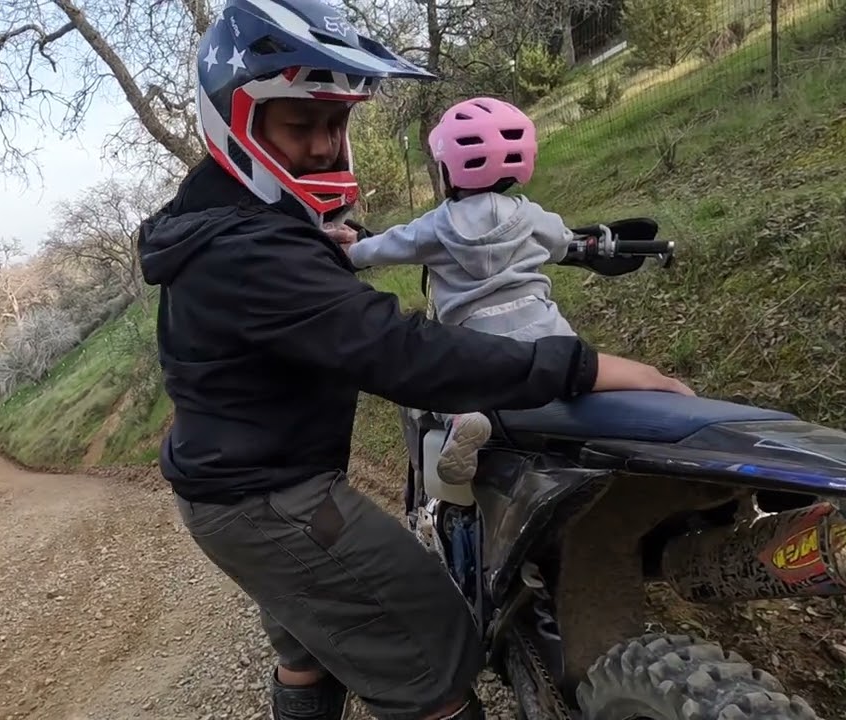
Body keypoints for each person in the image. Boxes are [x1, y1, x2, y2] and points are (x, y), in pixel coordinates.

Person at [134, 1, 694, 718]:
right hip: (272, 500)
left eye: (336, 123)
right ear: (239, 122)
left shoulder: (223, 218)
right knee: (435, 650)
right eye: (300, 125)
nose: (324, 145)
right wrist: (586, 367)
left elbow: (301, 269)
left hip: (235, 488)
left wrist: (336, 241)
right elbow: (399, 352)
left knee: (311, 650)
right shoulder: (249, 251)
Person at [328, 96, 584, 486]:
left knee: (437, 379)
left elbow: (386, 246)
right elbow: (564, 243)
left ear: (449, 169)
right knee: (581, 368)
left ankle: (460, 418)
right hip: (549, 334)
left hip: (477, 343)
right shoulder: (531, 215)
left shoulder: (436, 225)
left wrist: (352, 249)